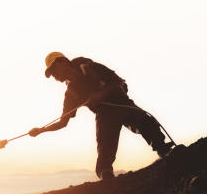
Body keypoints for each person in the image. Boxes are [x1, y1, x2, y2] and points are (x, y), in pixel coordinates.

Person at [28, 52, 175, 180]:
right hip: (104, 116)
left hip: (121, 103)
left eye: (53, 70)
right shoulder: (70, 94)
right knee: (104, 161)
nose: (53, 76)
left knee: (145, 122)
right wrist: (41, 130)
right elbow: (63, 122)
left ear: (62, 62)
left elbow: (118, 81)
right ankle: (108, 179)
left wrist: (101, 94)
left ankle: (166, 152)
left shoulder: (90, 67)